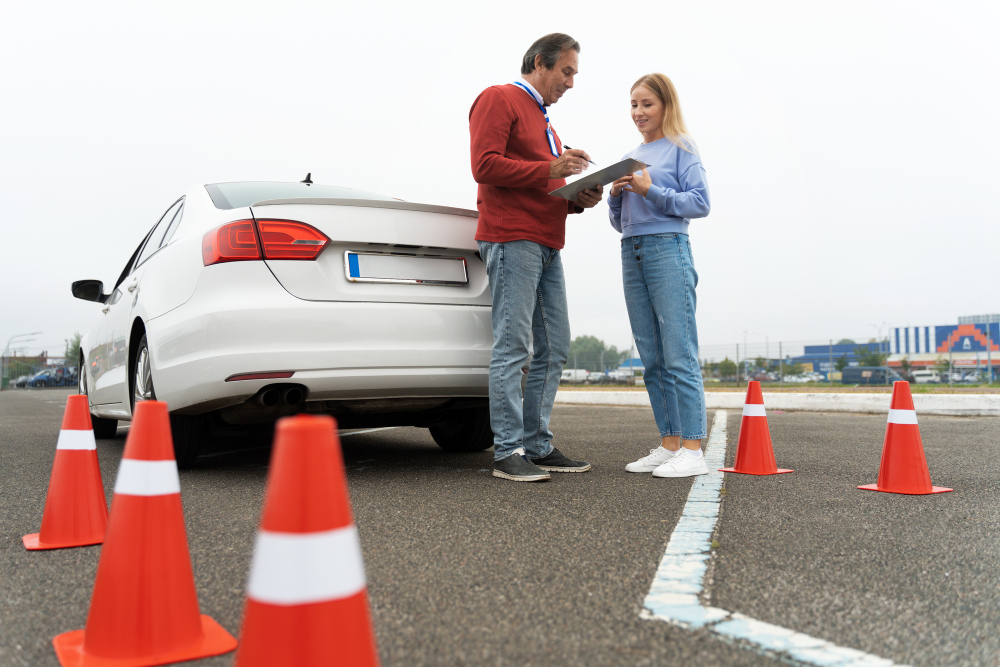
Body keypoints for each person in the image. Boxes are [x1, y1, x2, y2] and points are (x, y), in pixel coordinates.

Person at [469, 33, 604, 482]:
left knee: (555, 346)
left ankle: (536, 445)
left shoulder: (547, 124)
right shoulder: (500, 98)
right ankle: (507, 452)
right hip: (512, 239)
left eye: (574, 74)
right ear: (539, 64)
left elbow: (542, 184)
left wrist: (577, 197)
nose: (570, 82)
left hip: (546, 242)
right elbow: (484, 165)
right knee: (514, 347)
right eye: (566, 71)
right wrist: (553, 167)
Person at [608, 73, 711, 478]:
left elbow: (700, 203)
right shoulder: (631, 154)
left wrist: (651, 190)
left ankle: (693, 448)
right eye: (633, 105)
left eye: (646, 104)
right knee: (651, 357)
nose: (638, 112)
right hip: (631, 251)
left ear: (666, 105)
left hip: (668, 249)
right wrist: (615, 196)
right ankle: (669, 443)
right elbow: (621, 224)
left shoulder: (682, 147)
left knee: (678, 352)